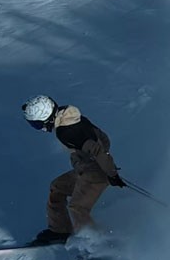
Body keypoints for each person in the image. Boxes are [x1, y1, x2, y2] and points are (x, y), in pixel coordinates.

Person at [22, 95, 125, 245]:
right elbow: (101, 137)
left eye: (37, 125)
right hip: (86, 168)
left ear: (46, 118)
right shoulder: (66, 115)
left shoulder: (67, 131)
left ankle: (95, 247)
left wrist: (111, 173)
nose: (40, 129)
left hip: (96, 172)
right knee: (57, 187)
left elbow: (97, 150)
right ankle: (59, 230)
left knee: (77, 207)